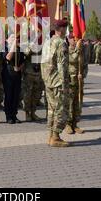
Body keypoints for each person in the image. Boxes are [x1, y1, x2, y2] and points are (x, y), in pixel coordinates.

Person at [41, 20, 70, 148]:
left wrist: (45, 79)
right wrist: (64, 85)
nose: (67, 31)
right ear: (62, 29)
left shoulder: (48, 42)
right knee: (60, 109)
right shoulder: (61, 43)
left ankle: (51, 135)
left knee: (51, 109)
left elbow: (43, 63)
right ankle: (56, 137)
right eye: (66, 28)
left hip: (49, 81)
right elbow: (62, 66)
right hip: (58, 82)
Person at [2, 35, 25, 124]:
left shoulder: (19, 49)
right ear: (7, 39)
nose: (15, 39)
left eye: (15, 38)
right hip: (8, 75)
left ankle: (14, 115)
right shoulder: (5, 48)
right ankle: (8, 116)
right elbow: (8, 57)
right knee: (9, 96)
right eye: (12, 38)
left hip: (17, 74)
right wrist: (13, 46)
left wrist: (19, 68)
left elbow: (23, 61)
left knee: (16, 96)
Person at [65, 37, 85, 135]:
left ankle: (75, 124)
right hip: (70, 81)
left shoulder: (81, 51)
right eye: (72, 38)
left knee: (78, 103)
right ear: (68, 39)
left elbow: (84, 64)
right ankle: (68, 124)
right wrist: (77, 49)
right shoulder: (67, 50)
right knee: (70, 103)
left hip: (79, 81)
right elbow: (72, 59)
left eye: (76, 38)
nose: (75, 40)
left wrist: (83, 75)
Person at [23, 43, 43, 122]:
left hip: (38, 72)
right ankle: (27, 113)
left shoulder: (42, 43)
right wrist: (32, 46)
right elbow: (26, 53)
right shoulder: (26, 43)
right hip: (29, 73)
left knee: (36, 94)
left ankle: (33, 112)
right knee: (28, 94)